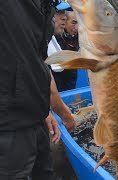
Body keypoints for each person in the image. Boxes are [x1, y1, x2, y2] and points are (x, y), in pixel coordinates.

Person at [0, 0, 75, 179]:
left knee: (45, 172)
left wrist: (45, 109)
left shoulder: (43, 6)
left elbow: (38, 61)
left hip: (36, 114)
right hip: (9, 121)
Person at [54, 10, 79, 91]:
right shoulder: (54, 38)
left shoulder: (80, 36)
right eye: (73, 23)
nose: (77, 28)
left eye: (79, 23)